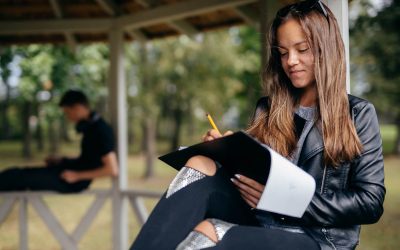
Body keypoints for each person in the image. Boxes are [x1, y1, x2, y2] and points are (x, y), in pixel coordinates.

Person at [129, 1, 385, 250]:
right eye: (283, 53)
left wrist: (284, 201)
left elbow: (370, 202)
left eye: (301, 49)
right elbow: (254, 182)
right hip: (259, 222)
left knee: (209, 231)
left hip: (315, 237)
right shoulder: (268, 108)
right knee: (200, 163)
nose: (291, 61)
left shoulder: (358, 114)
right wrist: (226, 157)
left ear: (325, 48)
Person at [0, 90, 119, 193]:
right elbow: (87, 160)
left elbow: (112, 169)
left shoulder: (100, 131)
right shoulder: (91, 127)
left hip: (72, 181)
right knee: (16, 174)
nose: (68, 118)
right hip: (68, 172)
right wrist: (62, 160)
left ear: (77, 107)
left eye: (67, 112)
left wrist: (77, 176)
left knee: (15, 177)